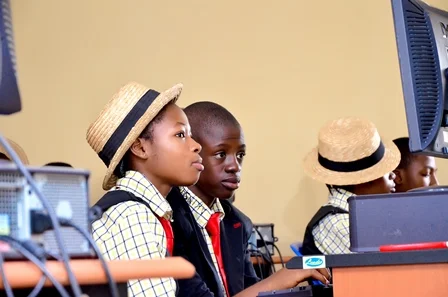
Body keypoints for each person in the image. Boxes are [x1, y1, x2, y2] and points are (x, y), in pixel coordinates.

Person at [167, 101, 330, 297]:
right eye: (221, 154)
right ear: (192, 151)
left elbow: (249, 290)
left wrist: (284, 287)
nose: (235, 166)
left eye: (240, 155)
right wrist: (278, 280)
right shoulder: (169, 219)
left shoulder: (237, 222)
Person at [88, 82, 203, 297]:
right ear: (140, 147)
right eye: (180, 135)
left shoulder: (144, 211)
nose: (196, 145)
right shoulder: (132, 215)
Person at [301, 117, 400, 255]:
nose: (393, 175)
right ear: (365, 179)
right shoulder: (338, 223)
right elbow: (384, 269)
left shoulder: (360, 217)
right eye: (385, 170)